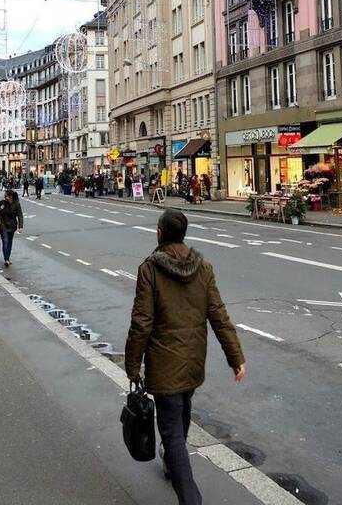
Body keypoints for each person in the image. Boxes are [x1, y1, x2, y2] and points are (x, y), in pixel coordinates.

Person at [125, 209, 246, 504]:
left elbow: (142, 323)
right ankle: (171, 463)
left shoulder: (150, 270)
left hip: (164, 363)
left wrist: (132, 365)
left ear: (159, 233)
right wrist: (236, 358)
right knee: (182, 412)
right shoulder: (202, 268)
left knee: (172, 432)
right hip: (193, 361)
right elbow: (219, 316)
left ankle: (190, 498)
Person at [0, 190, 24, 268]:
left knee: (10, 242)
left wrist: (21, 226)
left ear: (11, 196)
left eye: (6, 196)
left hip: (12, 225)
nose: (5, 197)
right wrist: (0, 208)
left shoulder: (16, 204)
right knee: (5, 241)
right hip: (3, 225)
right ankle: (6, 259)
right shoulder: (3, 203)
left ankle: (8, 257)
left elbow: (20, 215)